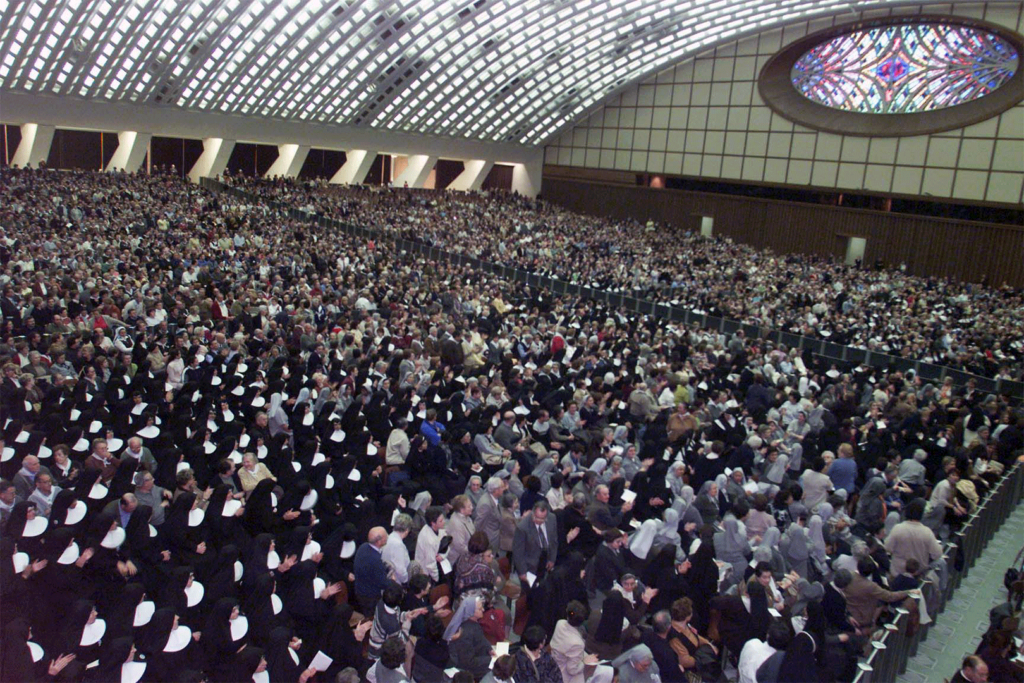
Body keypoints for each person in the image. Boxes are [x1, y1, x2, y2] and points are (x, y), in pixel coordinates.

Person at [512, 500, 559, 584]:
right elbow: (518, 552)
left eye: (542, 519)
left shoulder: (552, 518)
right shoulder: (522, 527)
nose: (539, 521)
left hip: (545, 558)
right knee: (531, 591)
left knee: (544, 587)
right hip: (530, 565)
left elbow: (554, 541)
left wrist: (552, 559)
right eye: (536, 517)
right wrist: (522, 572)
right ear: (532, 513)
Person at [355, 526, 391, 615]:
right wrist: (392, 580)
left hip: (360, 590)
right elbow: (383, 583)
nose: (388, 536)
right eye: (385, 535)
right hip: (370, 597)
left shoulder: (363, 547)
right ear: (379, 542)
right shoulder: (375, 559)